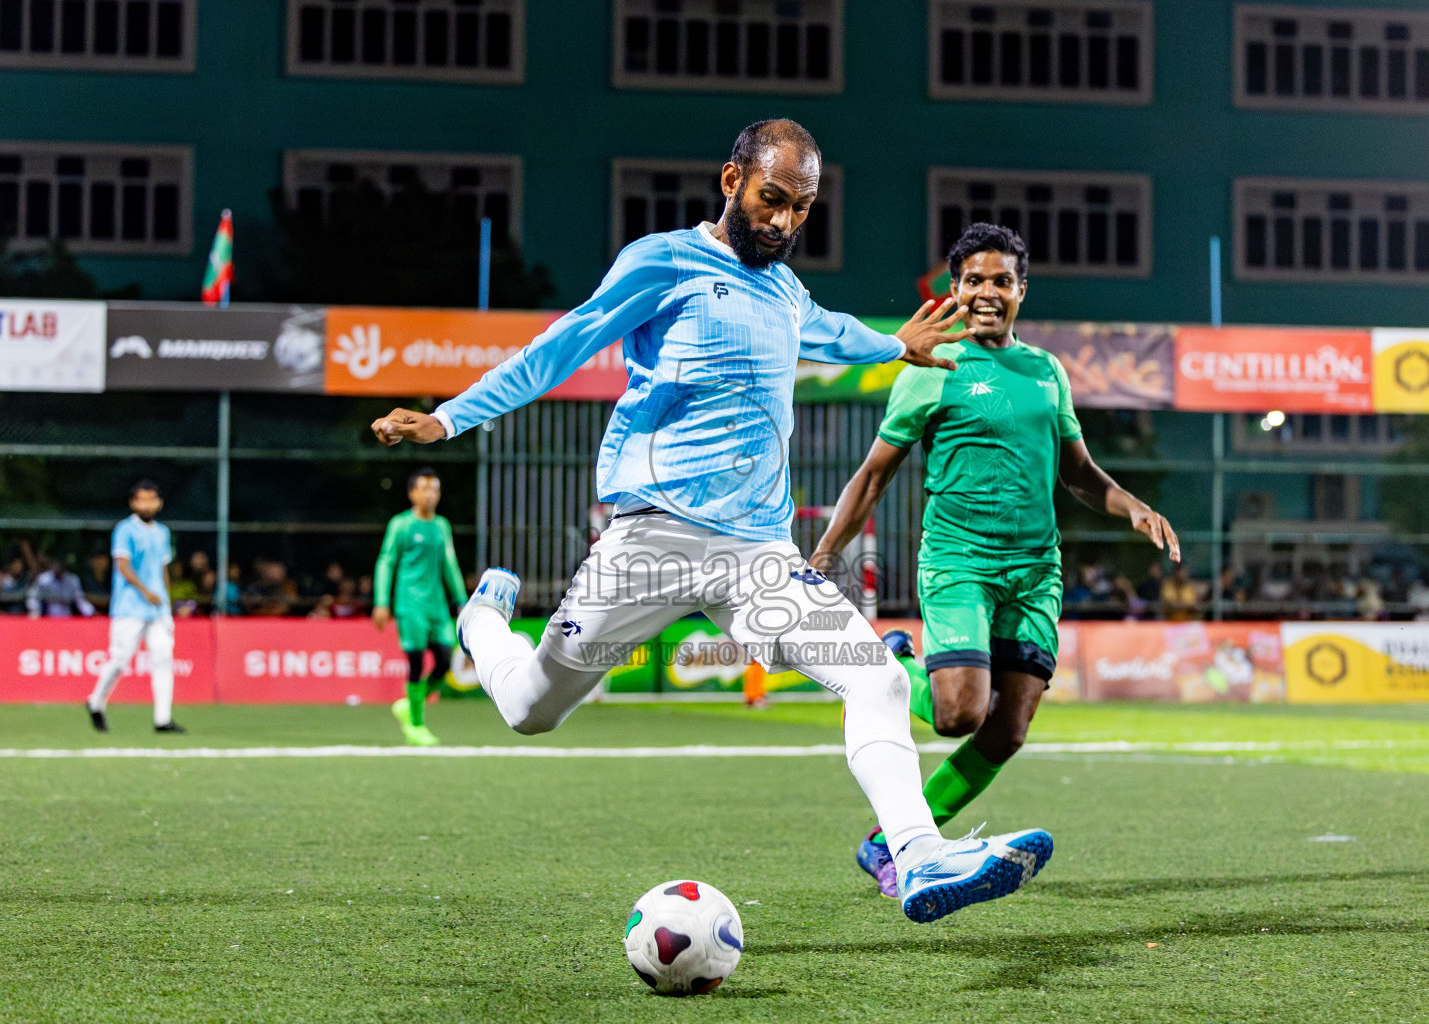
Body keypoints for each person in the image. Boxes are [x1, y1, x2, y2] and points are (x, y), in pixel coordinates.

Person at [370, 120, 1053, 924]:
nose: (784, 222)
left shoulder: (784, 290)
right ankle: (483, 618)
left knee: (871, 677)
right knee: (530, 709)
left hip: (757, 555)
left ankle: (918, 855)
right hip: (652, 539)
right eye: (771, 200)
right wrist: (447, 420)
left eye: (801, 208)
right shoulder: (663, 261)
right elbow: (559, 347)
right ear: (731, 181)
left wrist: (892, 344)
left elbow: (830, 331)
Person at [810, 222, 1180, 900]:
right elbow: (872, 476)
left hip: (1035, 571)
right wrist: (825, 555)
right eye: (974, 280)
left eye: (1001, 281)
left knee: (1008, 729)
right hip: (959, 561)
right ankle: (895, 669)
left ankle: (883, 843)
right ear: (955, 289)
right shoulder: (933, 366)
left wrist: (1131, 507)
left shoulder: (1046, 371)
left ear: (1020, 290)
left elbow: (1079, 473)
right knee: (957, 716)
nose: (987, 292)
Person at [373, 467, 467, 746]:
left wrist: (461, 601)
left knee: (444, 661)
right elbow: (386, 561)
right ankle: (416, 723)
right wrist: (381, 601)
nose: (430, 495)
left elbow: (449, 564)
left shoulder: (441, 526)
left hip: (436, 605)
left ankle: (409, 705)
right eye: (424, 488)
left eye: (435, 489)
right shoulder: (400, 524)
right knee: (415, 661)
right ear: (412, 492)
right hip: (409, 604)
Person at [86, 480, 184, 734]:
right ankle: (96, 701)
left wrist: (166, 601)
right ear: (133, 502)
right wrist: (146, 592)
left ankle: (163, 719)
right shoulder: (124, 529)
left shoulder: (162, 532)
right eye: (141, 499)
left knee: (163, 659)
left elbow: (163, 568)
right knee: (120, 660)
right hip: (130, 607)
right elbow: (123, 566)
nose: (147, 504)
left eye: (151, 499)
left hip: (158, 609)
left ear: (159, 503)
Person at [25, 559, 95, 618]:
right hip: (48, 612)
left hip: (67, 613)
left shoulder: (72, 580)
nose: (57, 568)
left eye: (60, 566)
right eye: (55, 565)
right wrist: (35, 611)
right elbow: (33, 597)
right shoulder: (44, 579)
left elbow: (80, 600)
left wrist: (90, 612)